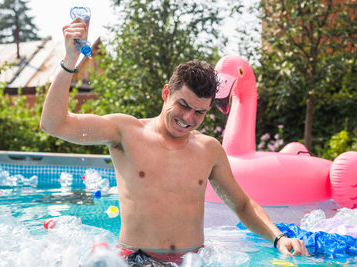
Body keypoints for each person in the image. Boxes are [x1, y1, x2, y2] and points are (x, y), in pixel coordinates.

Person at [40, 17, 309, 265]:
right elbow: (54, 125)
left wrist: (278, 238)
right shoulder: (125, 131)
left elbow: (241, 204)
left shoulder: (209, 149)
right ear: (166, 93)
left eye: (200, 112)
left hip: (195, 260)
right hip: (136, 260)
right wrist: (69, 61)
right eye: (182, 105)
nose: (188, 118)